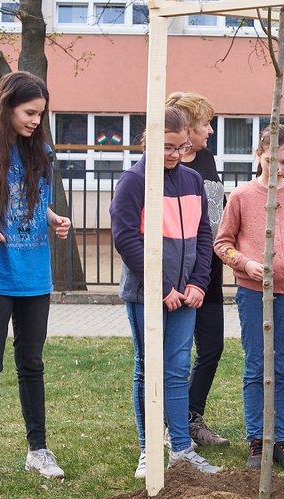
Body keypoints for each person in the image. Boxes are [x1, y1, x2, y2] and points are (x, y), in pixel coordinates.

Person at [0, 72, 71, 484]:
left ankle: (38, 450)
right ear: (6, 107)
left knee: (32, 364)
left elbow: (37, 203)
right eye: (29, 112)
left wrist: (54, 218)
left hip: (35, 277)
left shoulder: (43, 153)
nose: (36, 121)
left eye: (41, 114)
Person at [110, 106, 221, 478]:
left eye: (182, 146)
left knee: (177, 369)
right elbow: (126, 239)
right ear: (150, 142)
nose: (175, 154)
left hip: (186, 295)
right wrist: (161, 287)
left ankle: (181, 450)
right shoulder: (134, 181)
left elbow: (203, 235)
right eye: (168, 147)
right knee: (148, 368)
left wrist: (197, 283)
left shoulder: (192, 180)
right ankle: (149, 449)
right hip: (148, 294)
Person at [215, 123, 284, 471]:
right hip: (252, 293)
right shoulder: (241, 196)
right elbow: (222, 243)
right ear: (258, 156)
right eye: (271, 160)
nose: (278, 168)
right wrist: (245, 263)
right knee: (256, 363)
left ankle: (281, 438)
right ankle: (256, 438)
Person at [164, 91, 230, 446]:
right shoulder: (168, 166)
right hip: (178, 275)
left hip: (210, 272)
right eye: (206, 123)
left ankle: (190, 416)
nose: (210, 130)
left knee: (212, 346)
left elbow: (216, 211)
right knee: (172, 354)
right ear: (188, 126)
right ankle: (169, 423)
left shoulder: (206, 157)